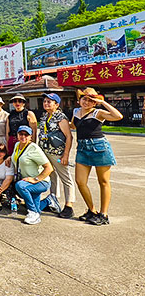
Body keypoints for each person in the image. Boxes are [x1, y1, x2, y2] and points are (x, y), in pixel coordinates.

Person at [72, 87, 123, 226]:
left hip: (99, 147)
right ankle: (92, 210)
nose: (86, 102)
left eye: (90, 100)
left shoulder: (98, 112)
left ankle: (104, 214)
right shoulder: (76, 112)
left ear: (94, 102)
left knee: (103, 182)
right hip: (82, 148)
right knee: (80, 181)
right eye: (84, 99)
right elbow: (73, 126)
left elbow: (118, 116)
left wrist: (102, 102)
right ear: (79, 100)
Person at [37, 93, 75, 219]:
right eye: (45, 101)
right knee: (51, 176)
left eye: (50, 101)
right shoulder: (44, 116)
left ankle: (69, 205)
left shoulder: (61, 117)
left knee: (65, 177)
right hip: (45, 152)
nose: (46, 103)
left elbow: (69, 136)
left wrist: (66, 155)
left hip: (57, 153)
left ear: (56, 104)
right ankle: (53, 200)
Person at [13, 126, 56, 225]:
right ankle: (49, 201)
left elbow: (49, 168)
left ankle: (33, 213)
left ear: (30, 137)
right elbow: (18, 158)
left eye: (26, 135)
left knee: (20, 186)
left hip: (40, 182)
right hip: (28, 181)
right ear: (17, 135)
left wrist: (35, 179)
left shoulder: (34, 148)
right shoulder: (17, 145)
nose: (23, 136)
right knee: (37, 208)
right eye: (21, 134)